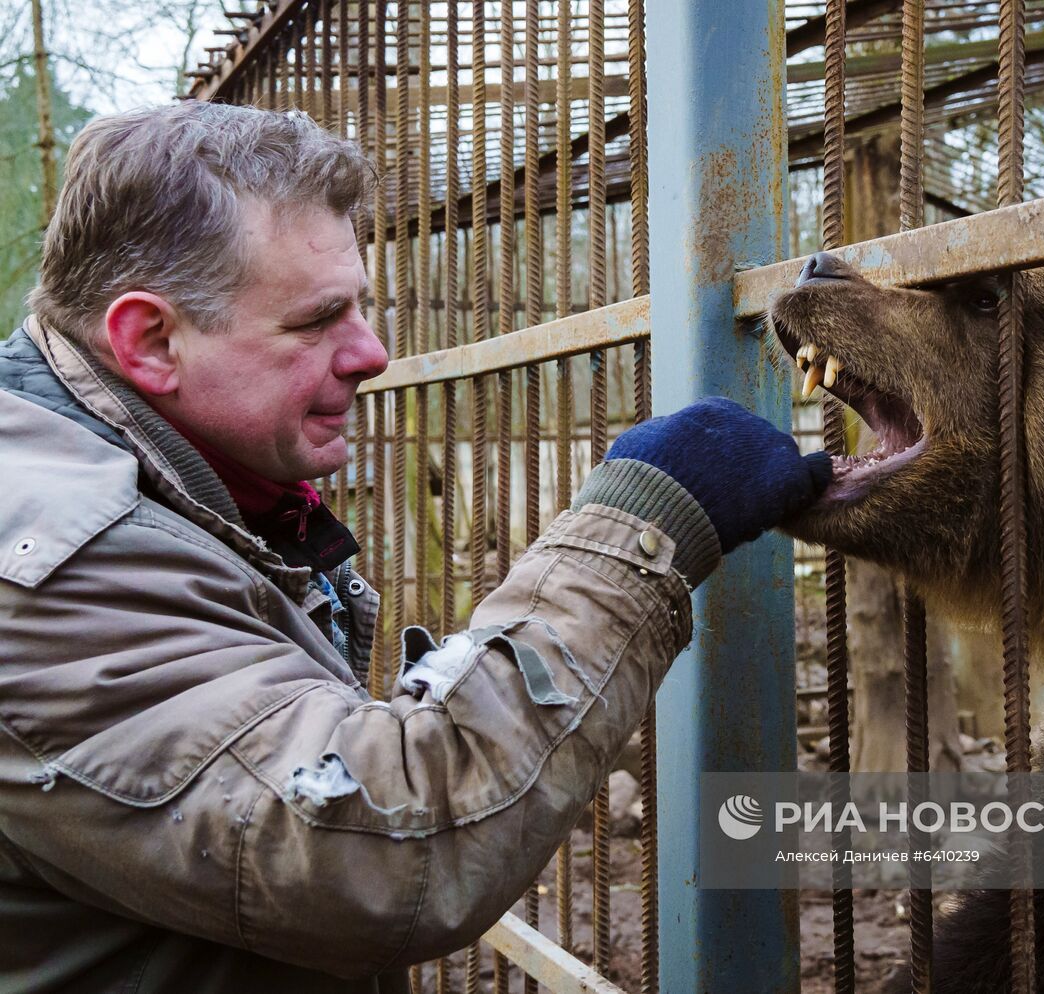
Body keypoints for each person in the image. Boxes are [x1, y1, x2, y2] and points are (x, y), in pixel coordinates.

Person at [0, 102, 830, 992]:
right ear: (150, 340)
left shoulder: (169, 485)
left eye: (361, 304)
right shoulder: (50, 560)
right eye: (317, 319)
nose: (374, 352)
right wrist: (637, 530)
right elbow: (381, 849)